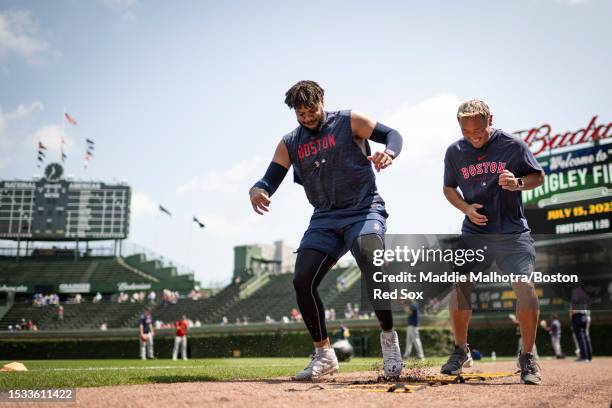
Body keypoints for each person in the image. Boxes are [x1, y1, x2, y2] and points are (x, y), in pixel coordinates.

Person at [249, 80, 404, 380]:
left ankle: (388, 338)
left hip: (363, 209)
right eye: (300, 114)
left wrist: (390, 153)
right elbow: (271, 178)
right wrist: (259, 188)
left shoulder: (349, 121)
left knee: (371, 259)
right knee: (302, 279)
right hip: (324, 218)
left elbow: (393, 135)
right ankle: (324, 354)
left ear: (322, 100)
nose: (307, 118)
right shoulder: (290, 142)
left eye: (311, 110)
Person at [442, 100, 545, 385]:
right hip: (475, 232)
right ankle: (461, 351)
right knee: (460, 286)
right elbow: (448, 188)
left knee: (524, 287)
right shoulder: (454, 152)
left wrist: (518, 183)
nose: (474, 136)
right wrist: (465, 209)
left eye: (479, 130)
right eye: (467, 131)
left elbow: (538, 176)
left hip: (512, 232)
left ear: (490, 120)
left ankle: (527, 356)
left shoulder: (513, 145)